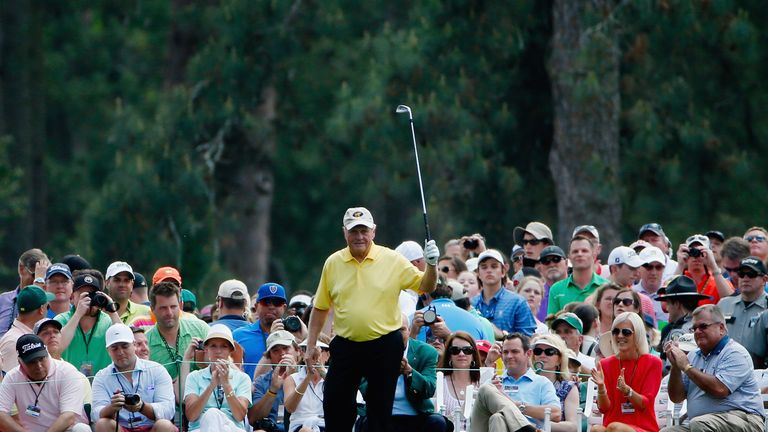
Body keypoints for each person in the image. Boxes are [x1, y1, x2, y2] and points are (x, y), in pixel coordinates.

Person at [304, 206, 440, 432]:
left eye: (364, 231)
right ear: (344, 233)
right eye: (354, 231)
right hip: (346, 344)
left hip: (384, 343)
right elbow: (320, 308)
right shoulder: (333, 263)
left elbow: (426, 285)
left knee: (379, 409)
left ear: (373, 232)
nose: (359, 236)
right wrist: (310, 345)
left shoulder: (392, 259)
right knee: (335, 404)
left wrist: (432, 265)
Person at [662, 304, 764, 432]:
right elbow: (676, 398)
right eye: (694, 328)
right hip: (702, 424)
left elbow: (720, 389)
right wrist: (676, 367)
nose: (698, 331)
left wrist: (686, 367)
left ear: (721, 328)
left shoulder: (735, 353)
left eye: (703, 326)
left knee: (700, 424)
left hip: (745, 419)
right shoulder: (694, 355)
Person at [360, 314, 446, 431]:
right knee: (365, 423)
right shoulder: (371, 351)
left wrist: (409, 372)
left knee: (438, 422)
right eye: (391, 331)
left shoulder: (426, 352)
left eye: (401, 330)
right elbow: (365, 390)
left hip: (417, 416)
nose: (396, 335)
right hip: (381, 416)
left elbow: (429, 389)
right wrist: (384, 371)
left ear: (409, 331)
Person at [92, 323, 176, 432]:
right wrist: (112, 407)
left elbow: (168, 410)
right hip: (121, 428)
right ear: (108, 350)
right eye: (114, 348)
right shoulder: (101, 376)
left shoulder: (157, 369)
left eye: (125, 346)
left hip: (152, 427)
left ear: (134, 345)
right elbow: (95, 414)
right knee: (103, 424)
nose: (120, 352)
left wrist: (142, 407)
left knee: (164, 425)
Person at [470, 333, 560, 432]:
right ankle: (526, 429)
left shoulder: (542, 382)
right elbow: (474, 413)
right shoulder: (493, 381)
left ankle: (523, 427)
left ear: (528, 354)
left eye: (514, 351)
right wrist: (489, 363)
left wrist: (517, 406)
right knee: (486, 389)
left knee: (497, 418)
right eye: (505, 352)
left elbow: (556, 414)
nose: (509, 356)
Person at [0, 334, 90, 432]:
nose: (39, 366)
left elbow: (69, 416)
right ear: (20, 361)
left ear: (47, 352)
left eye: (41, 358)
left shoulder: (67, 372)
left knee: (81, 429)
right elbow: (1, 413)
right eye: (32, 361)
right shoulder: (12, 377)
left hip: (66, 430)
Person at [590, 312, 663, 432]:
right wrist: (601, 388)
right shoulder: (605, 364)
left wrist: (627, 391)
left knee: (616, 428)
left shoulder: (653, 363)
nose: (619, 336)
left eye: (626, 332)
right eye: (615, 331)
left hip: (642, 427)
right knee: (597, 429)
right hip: (611, 426)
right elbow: (604, 409)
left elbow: (644, 404)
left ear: (638, 334)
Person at [185, 324, 252, 432]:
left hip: (232, 429)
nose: (218, 351)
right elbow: (191, 416)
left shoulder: (242, 378)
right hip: (200, 429)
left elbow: (240, 416)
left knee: (214, 415)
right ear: (206, 349)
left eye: (224, 346)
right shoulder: (194, 377)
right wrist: (211, 385)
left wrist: (226, 385)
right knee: (212, 414)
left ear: (231, 350)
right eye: (213, 346)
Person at [56, 272, 122, 377]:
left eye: (92, 294)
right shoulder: (61, 320)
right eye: (84, 295)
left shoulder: (108, 320)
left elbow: (125, 341)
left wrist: (112, 311)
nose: (89, 300)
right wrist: (78, 314)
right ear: (72, 297)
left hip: (103, 384)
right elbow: (58, 347)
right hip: (70, 383)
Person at [146, 281, 210, 381]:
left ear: (180, 305)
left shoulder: (200, 329)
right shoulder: (145, 343)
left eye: (173, 307)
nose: (169, 313)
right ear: (152, 309)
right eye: (163, 308)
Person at [472, 249, 536, 338]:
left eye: (494, 266)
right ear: (478, 273)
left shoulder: (518, 302)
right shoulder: (471, 303)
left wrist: (502, 335)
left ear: (503, 272)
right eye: (484, 267)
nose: (489, 270)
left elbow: (529, 340)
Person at [717, 256, 768, 367]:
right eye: (741, 274)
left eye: (751, 274)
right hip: (723, 370)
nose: (745, 278)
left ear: (764, 280)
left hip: (758, 373)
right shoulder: (724, 304)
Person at [233, 283, 291, 379]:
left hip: (286, 392)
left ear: (284, 307)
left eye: (277, 302)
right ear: (256, 307)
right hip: (250, 392)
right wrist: (272, 337)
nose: (271, 307)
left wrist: (305, 336)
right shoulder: (239, 335)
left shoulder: (292, 335)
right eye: (266, 302)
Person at [654, 276, 709, 371]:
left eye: (668, 303)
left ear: (677, 304)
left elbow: (670, 369)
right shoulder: (708, 325)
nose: (667, 309)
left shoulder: (678, 331)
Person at [249, 330, 300, 430]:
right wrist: (272, 390)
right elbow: (253, 419)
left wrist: (293, 378)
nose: (282, 353)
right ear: (270, 357)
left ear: (298, 351)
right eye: (275, 350)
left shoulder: (307, 377)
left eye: (286, 348)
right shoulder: (261, 381)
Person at [413, 276, 489, 342]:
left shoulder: (414, 319)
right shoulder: (477, 322)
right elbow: (486, 353)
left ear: (425, 295)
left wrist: (413, 332)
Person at [547, 236, 609, 315]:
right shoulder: (556, 289)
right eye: (575, 251)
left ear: (593, 255)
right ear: (569, 257)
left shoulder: (606, 286)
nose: (579, 254)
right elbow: (551, 324)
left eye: (584, 251)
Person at [531, 334, 579, 432]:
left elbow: (573, 426)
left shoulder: (568, 387)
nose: (542, 355)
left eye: (549, 352)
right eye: (538, 351)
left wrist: (537, 425)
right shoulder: (525, 381)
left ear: (559, 360)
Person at [0, 285, 54, 373]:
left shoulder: (23, 336)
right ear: (41, 309)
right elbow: (10, 383)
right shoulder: (14, 342)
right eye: (47, 306)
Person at [0, 248, 49, 338]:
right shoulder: (2, 300)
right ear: (21, 269)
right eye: (36, 275)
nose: (40, 281)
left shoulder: (48, 304)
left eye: (44, 278)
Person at [283, 338, 330, 432]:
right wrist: (308, 376)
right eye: (308, 350)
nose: (314, 355)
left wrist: (323, 373)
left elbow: (345, 401)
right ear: (302, 354)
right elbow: (290, 408)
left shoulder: (336, 378)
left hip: (328, 425)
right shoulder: (292, 379)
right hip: (300, 426)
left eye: (319, 350)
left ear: (328, 355)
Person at [439, 331, 481, 431]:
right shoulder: (439, 383)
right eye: (455, 350)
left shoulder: (482, 384)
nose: (461, 354)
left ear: (473, 355)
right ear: (449, 355)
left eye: (467, 350)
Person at [675, 234, 734, 306]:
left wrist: (713, 265)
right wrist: (680, 265)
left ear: (709, 254)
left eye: (700, 252)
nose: (696, 256)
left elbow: (730, 302)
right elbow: (665, 306)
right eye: (692, 251)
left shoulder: (717, 280)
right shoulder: (679, 279)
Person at [535, 246, 569, 321]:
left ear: (566, 263)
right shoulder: (536, 295)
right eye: (545, 261)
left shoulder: (577, 287)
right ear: (540, 268)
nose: (551, 264)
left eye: (556, 259)